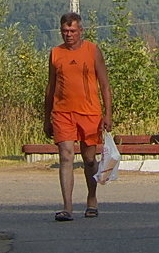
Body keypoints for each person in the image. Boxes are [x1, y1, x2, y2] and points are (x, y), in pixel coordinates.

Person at [43, 12, 113, 221]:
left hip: (90, 112)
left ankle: (92, 198)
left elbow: (105, 84)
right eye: (65, 31)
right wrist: (47, 118)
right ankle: (67, 206)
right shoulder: (55, 53)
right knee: (65, 155)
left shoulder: (92, 51)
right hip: (63, 112)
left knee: (89, 158)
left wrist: (108, 114)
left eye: (72, 31)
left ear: (80, 31)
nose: (69, 35)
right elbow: (50, 87)